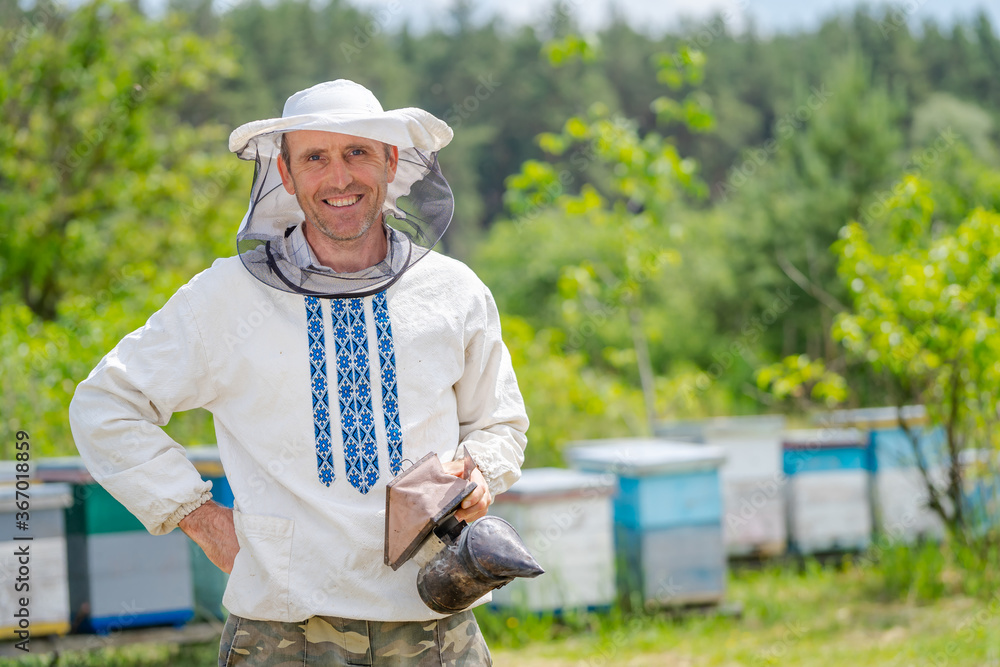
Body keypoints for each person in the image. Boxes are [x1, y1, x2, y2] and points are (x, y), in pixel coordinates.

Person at [69, 79, 528, 666]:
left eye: (357, 152)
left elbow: (500, 422)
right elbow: (105, 404)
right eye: (315, 157)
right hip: (282, 635)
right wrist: (199, 517)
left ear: (391, 162)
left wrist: (481, 469)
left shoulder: (453, 290)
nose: (339, 178)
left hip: (434, 625)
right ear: (285, 175)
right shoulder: (224, 298)